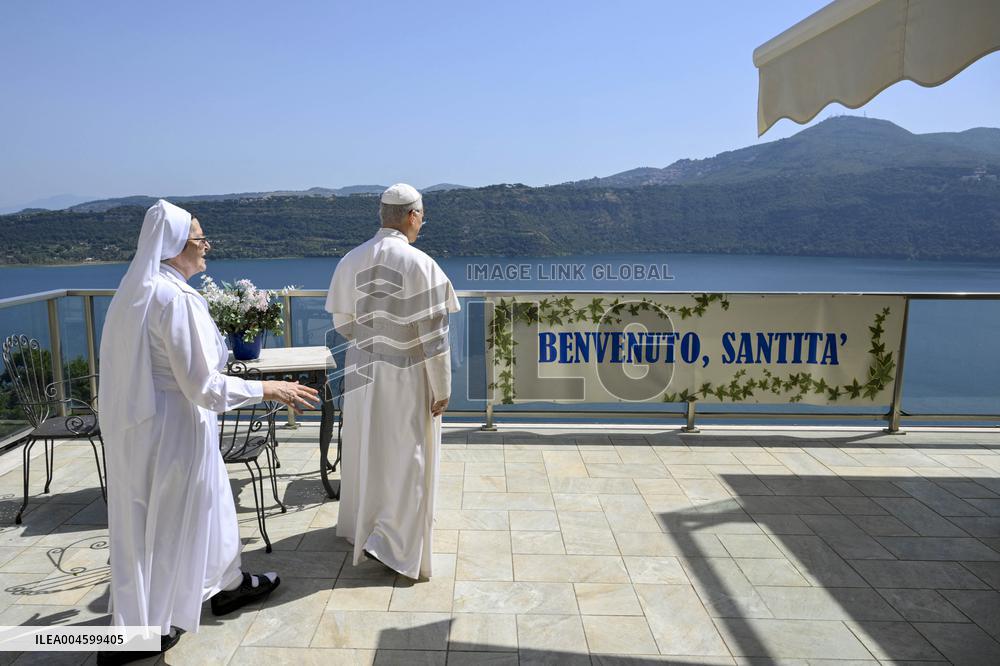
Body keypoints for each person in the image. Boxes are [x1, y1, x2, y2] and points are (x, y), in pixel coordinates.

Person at [97, 200, 318, 664]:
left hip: (138, 427)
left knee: (193, 509)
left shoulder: (134, 290)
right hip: (174, 430)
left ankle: (226, 584)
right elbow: (202, 385)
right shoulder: (175, 299)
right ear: (176, 245)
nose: (206, 247)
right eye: (200, 239)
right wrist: (267, 388)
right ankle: (145, 632)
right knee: (168, 525)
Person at [325, 183, 460, 579]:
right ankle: (398, 545)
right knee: (407, 456)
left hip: (362, 368)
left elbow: (341, 321)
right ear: (411, 216)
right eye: (422, 216)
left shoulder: (351, 260)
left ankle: (362, 526)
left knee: (367, 445)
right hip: (407, 373)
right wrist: (443, 388)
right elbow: (434, 338)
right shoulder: (422, 265)